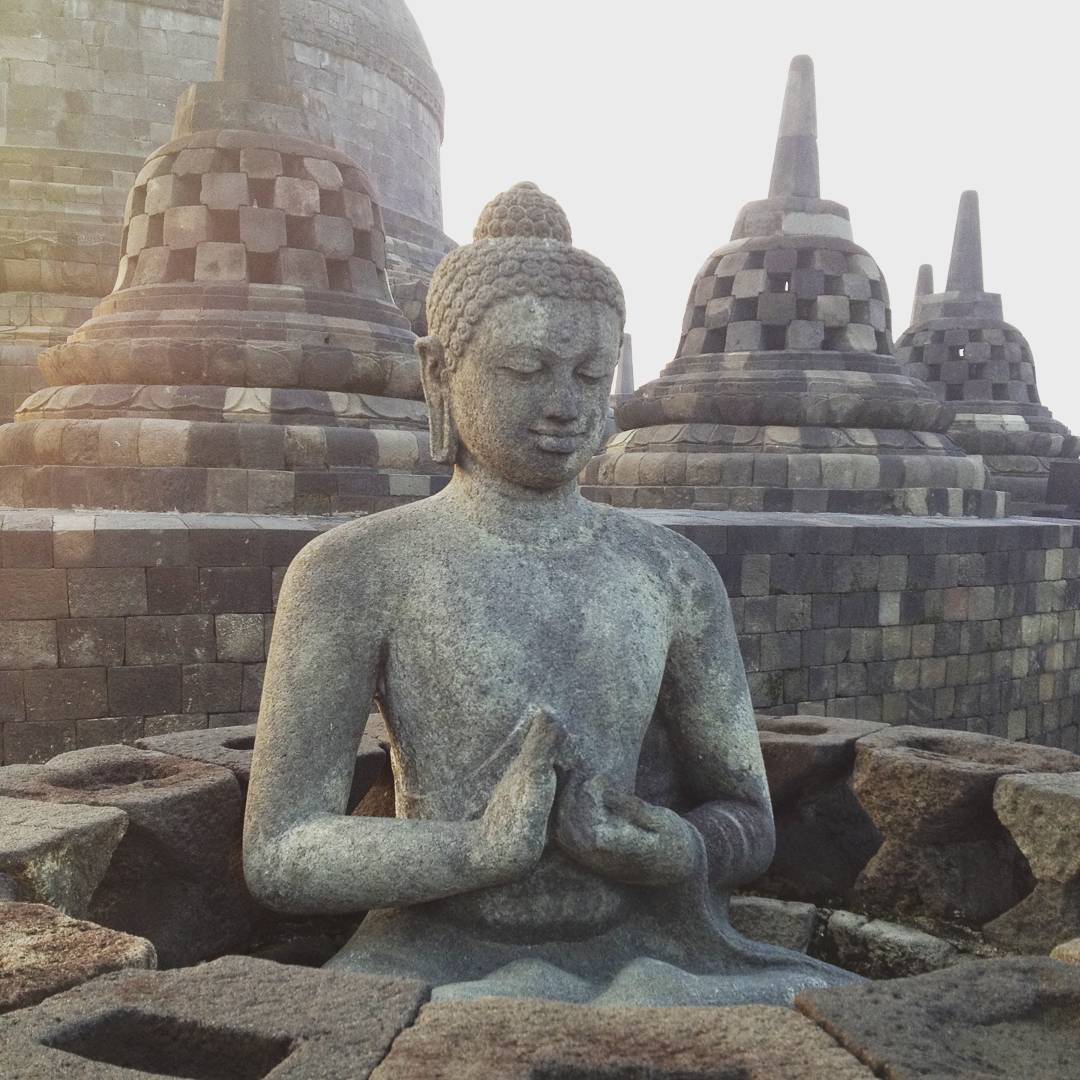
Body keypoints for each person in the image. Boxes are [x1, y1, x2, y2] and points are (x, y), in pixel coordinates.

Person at [243, 183, 856, 1005]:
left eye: (590, 374)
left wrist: (675, 850)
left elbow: (745, 817)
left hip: (653, 949)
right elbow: (281, 852)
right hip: (433, 952)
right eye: (527, 369)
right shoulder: (356, 570)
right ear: (438, 373)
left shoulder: (671, 573)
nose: (566, 405)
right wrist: (476, 854)